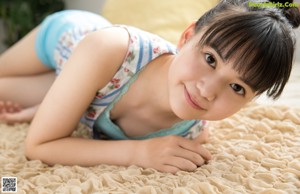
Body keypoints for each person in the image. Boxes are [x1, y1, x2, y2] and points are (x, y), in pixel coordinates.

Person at [0, 0, 299, 173]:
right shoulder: (109, 48)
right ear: (186, 37)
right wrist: (137, 153)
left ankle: (60, 100)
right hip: (70, 41)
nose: (207, 91)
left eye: (237, 88)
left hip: (86, 82)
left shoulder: (192, 131)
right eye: (210, 59)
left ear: (251, 100)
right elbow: (38, 146)